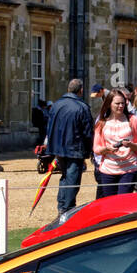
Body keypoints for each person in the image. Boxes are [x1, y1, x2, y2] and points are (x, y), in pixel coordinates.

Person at [44, 78, 94, 214]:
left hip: (59, 148)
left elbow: (49, 128)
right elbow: (88, 132)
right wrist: (90, 150)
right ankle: (67, 208)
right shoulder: (82, 107)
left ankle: (62, 205)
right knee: (72, 178)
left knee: (65, 176)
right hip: (75, 148)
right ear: (81, 90)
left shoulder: (56, 105)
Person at [93, 88, 137, 196]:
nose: (121, 106)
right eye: (117, 103)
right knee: (109, 203)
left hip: (128, 169)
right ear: (109, 104)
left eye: (123, 103)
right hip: (108, 169)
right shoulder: (101, 123)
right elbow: (96, 149)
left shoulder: (133, 120)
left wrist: (130, 144)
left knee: (123, 202)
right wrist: (106, 149)